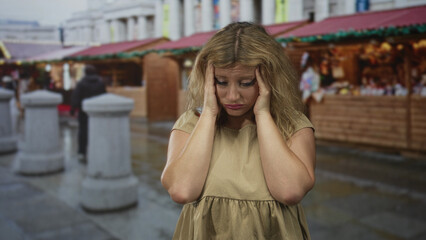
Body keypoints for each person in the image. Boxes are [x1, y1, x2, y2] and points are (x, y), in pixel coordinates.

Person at [161, 22, 316, 239]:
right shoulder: (191, 123)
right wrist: (208, 113)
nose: (233, 96)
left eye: (245, 83)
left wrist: (263, 115)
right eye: (221, 82)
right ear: (208, 80)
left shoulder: (293, 125)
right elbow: (181, 190)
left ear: (269, 79)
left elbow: (289, 191)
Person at [70, 65, 106, 162]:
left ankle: (82, 153)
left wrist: (73, 109)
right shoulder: (100, 83)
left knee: (83, 132)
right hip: (98, 112)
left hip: (84, 112)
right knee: (98, 132)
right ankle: (99, 151)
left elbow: (76, 96)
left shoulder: (82, 83)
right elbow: (104, 96)